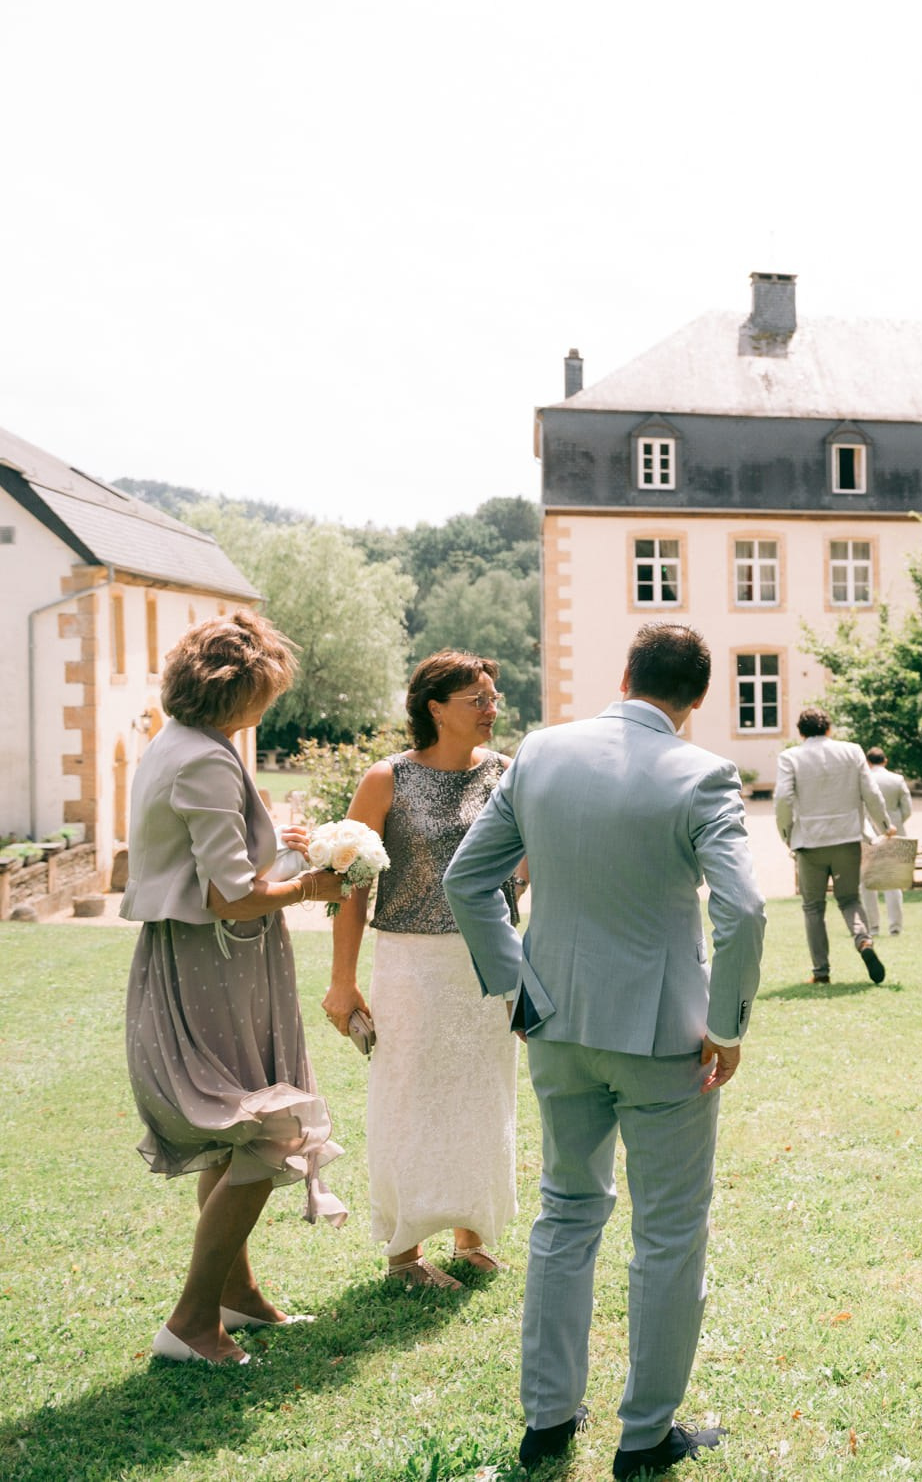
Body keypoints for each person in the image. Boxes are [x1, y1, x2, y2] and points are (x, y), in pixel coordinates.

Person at [445, 623, 767, 1478]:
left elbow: (465, 879)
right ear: (698, 698)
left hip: (554, 1021)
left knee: (565, 1211)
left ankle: (547, 1419)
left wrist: (515, 984)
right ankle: (645, 1434)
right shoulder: (703, 773)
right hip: (665, 1037)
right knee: (669, 1231)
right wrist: (728, 1024)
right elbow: (744, 908)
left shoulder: (540, 753)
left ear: (624, 674)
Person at [122, 614, 348, 1366]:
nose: (273, 700)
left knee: (234, 1134)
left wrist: (285, 848)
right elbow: (229, 897)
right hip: (214, 960)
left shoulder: (182, 742)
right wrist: (308, 887)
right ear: (238, 690)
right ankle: (191, 1322)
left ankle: (237, 1294)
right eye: (268, 688)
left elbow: (217, 862)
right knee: (266, 1132)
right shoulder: (205, 761)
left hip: (210, 959)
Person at [322, 651, 524, 1290]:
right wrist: (342, 979)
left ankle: (471, 1235)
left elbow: (528, 863)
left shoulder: (506, 773)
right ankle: (405, 1252)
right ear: (436, 707)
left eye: (493, 699)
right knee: (410, 1097)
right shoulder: (386, 779)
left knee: (482, 1095)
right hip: (411, 964)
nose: (492, 710)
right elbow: (352, 885)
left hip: (487, 962)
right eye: (478, 700)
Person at [776, 708, 893, 986]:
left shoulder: (790, 757)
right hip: (847, 838)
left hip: (810, 841)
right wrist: (884, 825)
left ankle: (821, 971)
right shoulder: (852, 751)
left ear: (801, 732)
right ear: (829, 728)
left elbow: (783, 798)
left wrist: (787, 833)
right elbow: (871, 792)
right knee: (850, 899)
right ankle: (863, 940)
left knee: (813, 907)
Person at [864, 746, 915, 934]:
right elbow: (907, 809)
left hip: (868, 832)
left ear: (868, 762)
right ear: (885, 760)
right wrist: (896, 823)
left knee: (866, 882)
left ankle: (872, 926)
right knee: (893, 881)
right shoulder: (897, 779)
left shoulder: (864, 779)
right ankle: (895, 927)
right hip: (894, 831)